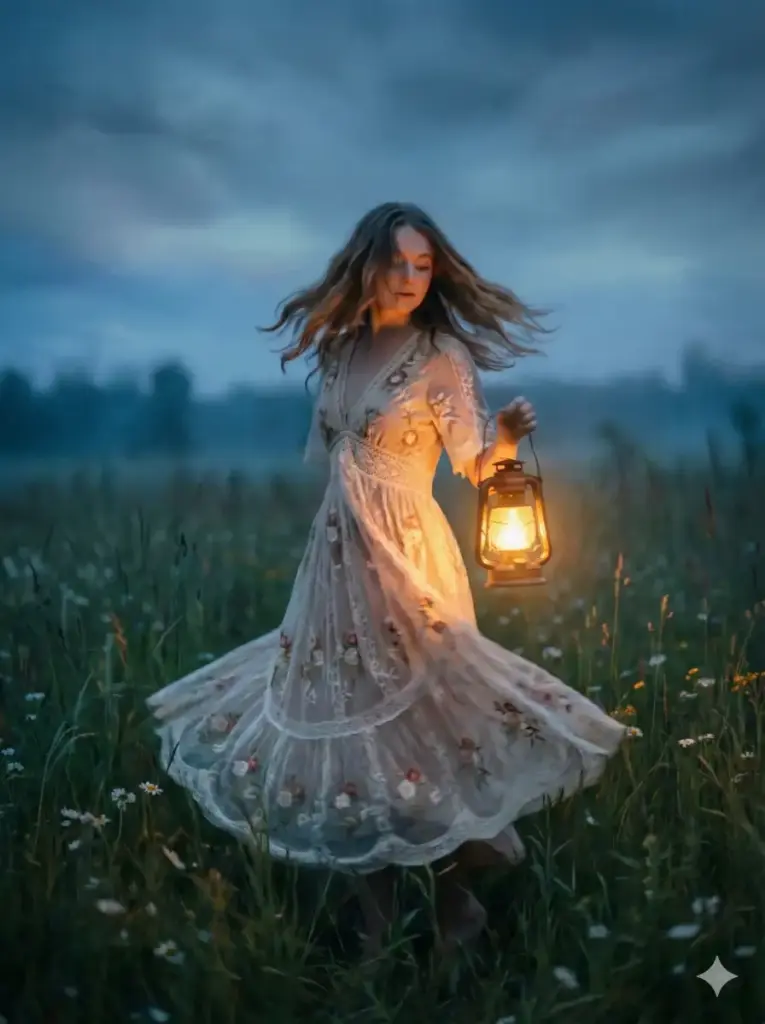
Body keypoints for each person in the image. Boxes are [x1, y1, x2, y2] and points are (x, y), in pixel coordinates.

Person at [146, 201, 625, 955]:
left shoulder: (440, 356)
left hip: (409, 552)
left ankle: (457, 900)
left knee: (420, 720)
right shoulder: (338, 350)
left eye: (422, 265)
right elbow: (335, 461)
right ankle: (377, 926)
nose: (408, 278)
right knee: (350, 734)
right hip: (338, 559)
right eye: (396, 262)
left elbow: (471, 466)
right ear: (366, 263)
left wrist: (502, 438)